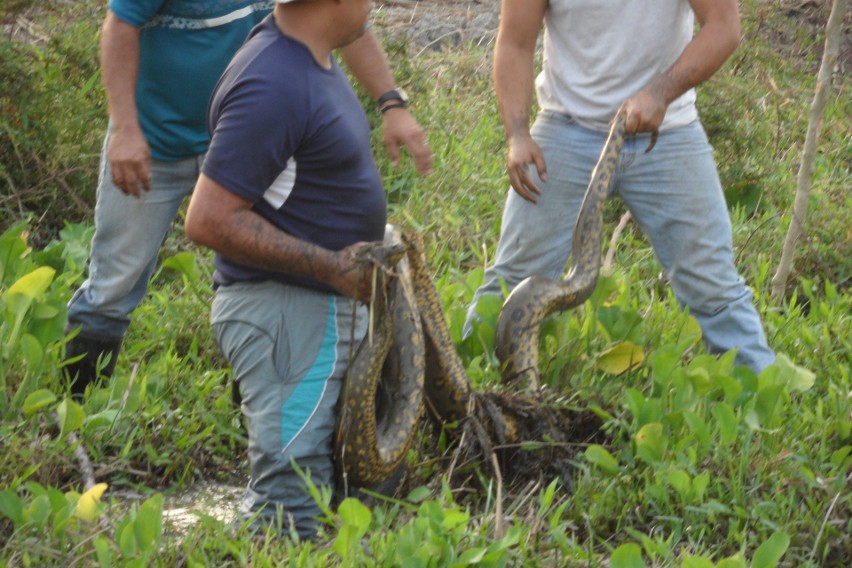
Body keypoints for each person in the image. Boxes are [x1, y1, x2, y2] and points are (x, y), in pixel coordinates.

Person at [64, 0, 431, 396]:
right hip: (153, 145)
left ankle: (257, 405)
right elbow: (120, 26)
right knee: (115, 282)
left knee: (260, 271)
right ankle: (79, 411)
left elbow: (336, 21)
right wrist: (124, 128)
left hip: (243, 144)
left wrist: (391, 103)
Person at [184, 0, 425, 539]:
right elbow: (207, 221)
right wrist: (331, 267)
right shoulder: (273, 81)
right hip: (287, 316)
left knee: (350, 485)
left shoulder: (312, 56)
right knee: (289, 502)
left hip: (320, 312)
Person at [465, 0, 775, 374]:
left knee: (713, 288)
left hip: (668, 131)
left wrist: (660, 92)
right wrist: (517, 134)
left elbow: (723, 27)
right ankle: (464, 390)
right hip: (567, 127)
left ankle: (760, 401)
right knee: (513, 281)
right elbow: (514, 42)